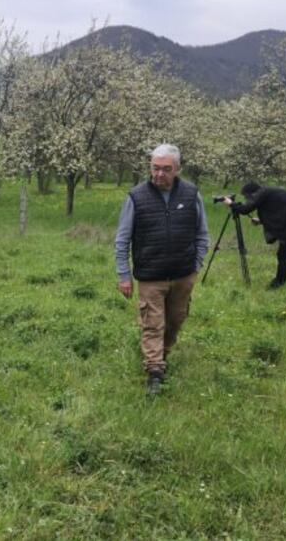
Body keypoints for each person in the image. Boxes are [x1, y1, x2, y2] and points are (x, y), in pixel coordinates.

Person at [114, 144, 209, 396]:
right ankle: (154, 371)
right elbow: (122, 239)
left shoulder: (191, 194)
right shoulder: (136, 197)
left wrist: (196, 264)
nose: (159, 174)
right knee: (153, 323)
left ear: (177, 169)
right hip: (151, 276)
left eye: (166, 169)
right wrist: (124, 275)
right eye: (155, 168)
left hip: (183, 274)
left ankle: (162, 354)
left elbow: (202, 234)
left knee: (175, 320)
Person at [223, 182, 286, 289]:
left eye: (247, 197)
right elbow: (278, 211)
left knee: (285, 255)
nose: (247, 199)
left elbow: (245, 209)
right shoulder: (269, 193)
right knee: (284, 254)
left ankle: (278, 283)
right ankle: (280, 281)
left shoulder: (263, 193)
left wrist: (231, 204)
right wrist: (261, 221)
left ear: (252, 193)